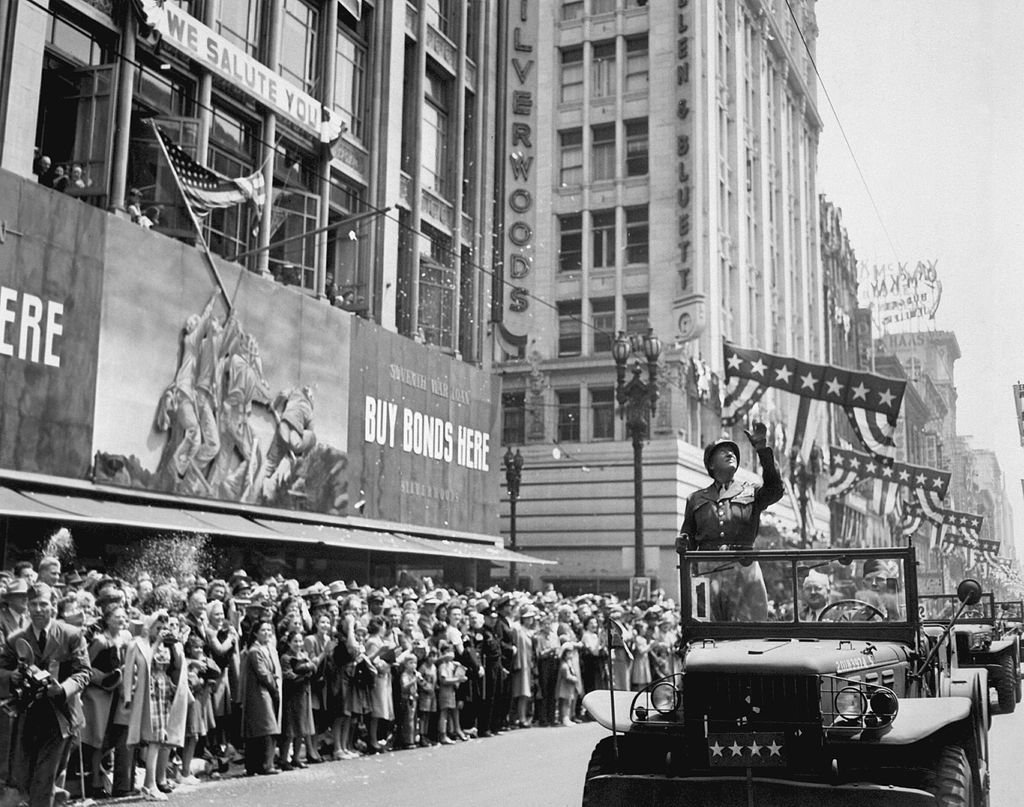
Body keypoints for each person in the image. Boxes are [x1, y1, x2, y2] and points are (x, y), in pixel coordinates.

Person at [676, 421, 784, 621]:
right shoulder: (696, 499)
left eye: (733, 451)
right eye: (723, 450)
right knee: (704, 631)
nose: (730, 453)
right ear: (710, 464)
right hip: (708, 572)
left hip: (745, 570)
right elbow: (688, 538)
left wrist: (763, 451)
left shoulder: (751, 492)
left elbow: (776, 489)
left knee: (752, 631)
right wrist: (682, 541)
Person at [0, 582, 92, 807]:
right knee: (22, 781)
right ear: (27, 607)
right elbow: (1, 670)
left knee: (44, 779)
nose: (38, 609)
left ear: (53, 606)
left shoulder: (71, 635)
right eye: (33, 604)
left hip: (59, 718)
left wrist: (63, 688)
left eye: (43, 604)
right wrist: (11, 676)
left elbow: (84, 672)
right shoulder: (16, 639)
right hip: (27, 718)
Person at [240, 619, 282, 776]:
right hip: (259, 692)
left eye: (269, 630)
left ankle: (260, 764)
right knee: (266, 727)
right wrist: (274, 686)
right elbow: (263, 673)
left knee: (265, 728)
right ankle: (265, 764)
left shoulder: (268, 648)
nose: (267, 633)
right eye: (263, 630)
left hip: (267, 691)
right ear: (256, 633)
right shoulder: (255, 651)